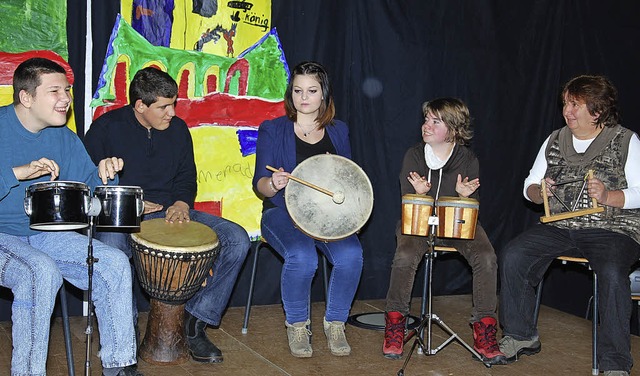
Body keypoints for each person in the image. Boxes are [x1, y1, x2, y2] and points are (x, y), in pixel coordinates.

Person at [83, 67, 250, 364]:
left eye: (173, 104)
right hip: (124, 216)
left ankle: (195, 323)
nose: (171, 112)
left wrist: (182, 203)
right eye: (163, 106)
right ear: (140, 106)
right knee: (111, 249)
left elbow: (187, 177)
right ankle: (123, 329)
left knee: (236, 239)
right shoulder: (105, 128)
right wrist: (132, 201)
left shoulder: (178, 129)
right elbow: (88, 183)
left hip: (171, 211)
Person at [0, 58, 141, 376]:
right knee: (40, 272)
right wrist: (17, 173)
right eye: (54, 91)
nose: (66, 98)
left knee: (114, 264)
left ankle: (119, 367)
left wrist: (106, 175)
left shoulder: (64, 137)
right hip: (2, 234)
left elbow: (90, 189)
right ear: (26, 97)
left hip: (43, 233)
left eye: (67, 90)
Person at [498, 75, 640, 376]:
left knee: (613, 273)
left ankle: (614, 362)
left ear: (597, 110)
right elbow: (530, 186)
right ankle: (521, 336)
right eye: (565, 104)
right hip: (561, 227)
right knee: (514, 255)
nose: (568, 111)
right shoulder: (554, 139)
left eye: (576, 105)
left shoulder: (626, 140)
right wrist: (541, 191)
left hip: (611, 229)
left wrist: (608, 195)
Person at [382, 98, 506, 364]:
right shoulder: (413, 155)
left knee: (486, 257)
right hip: (418, 221)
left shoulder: (468, 159)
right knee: (404, 255)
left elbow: (471, 208)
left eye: (434, 121)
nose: (426, 125)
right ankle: (395, 323)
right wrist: (420, 195)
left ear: (453, 128)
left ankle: (484, 330)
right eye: (426, 119)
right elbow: (407, 201)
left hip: (455, 222)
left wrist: (463, 198)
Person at [252, 61, 364, 358]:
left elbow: (349, 180)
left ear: (323, 94)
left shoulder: (338, 131)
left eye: (312, 90)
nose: (304, 97)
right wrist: (274, 183)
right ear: (290, 94)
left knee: (352, 255)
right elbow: (259, 185)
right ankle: (298, 325)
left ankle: (336, 322)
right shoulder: (273, 129)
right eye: (298, 90)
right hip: (281, 212)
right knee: (302, 257)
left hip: (328, 217)